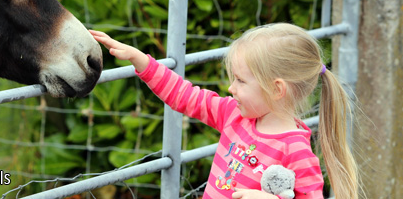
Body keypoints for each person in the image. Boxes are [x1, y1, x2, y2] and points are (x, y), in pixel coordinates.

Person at [89, 23, 358, 199]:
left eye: (241, 81)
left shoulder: (296, 150)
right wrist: (142, 61)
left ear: (277, 89)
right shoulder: (234, 115)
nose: (231, 87)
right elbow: (185, 96)